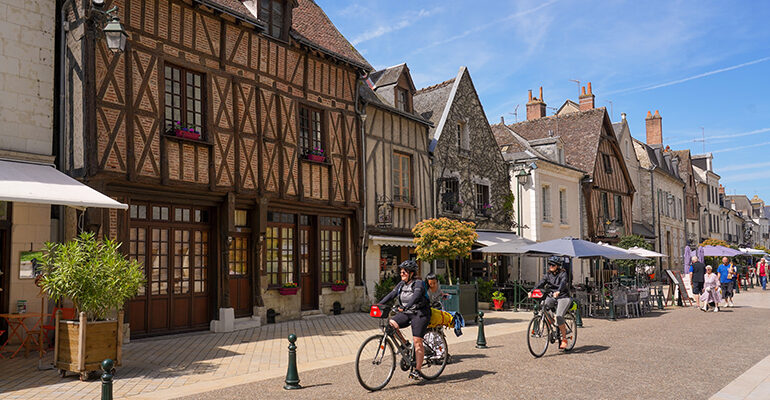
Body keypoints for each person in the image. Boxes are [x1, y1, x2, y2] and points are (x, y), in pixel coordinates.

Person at [377, 260, 430, 380]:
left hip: (420, 313)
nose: (401, 274)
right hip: (407, 312)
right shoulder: (401, 284)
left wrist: (406, 306)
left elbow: (416, 296)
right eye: (401, 272)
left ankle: (418, 370)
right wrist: (378, 304)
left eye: (404, 272)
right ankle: (405, 344)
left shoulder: (419, 283)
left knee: (417, 341)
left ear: (411, 273)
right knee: (391, 324)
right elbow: (392, 294)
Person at [531, 256, 571, 350]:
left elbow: (563, 283)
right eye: (549, 264)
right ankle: (551, 321)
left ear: (557, 265)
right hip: (552, 296)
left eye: (553, 264)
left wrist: (559, 291)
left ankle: (564, 338)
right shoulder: (548, 275)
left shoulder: (563, 273)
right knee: (543, 306)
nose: (551, 266)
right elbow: (540, 283)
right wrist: (532, 291)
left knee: (559, 316)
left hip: (563, 296)